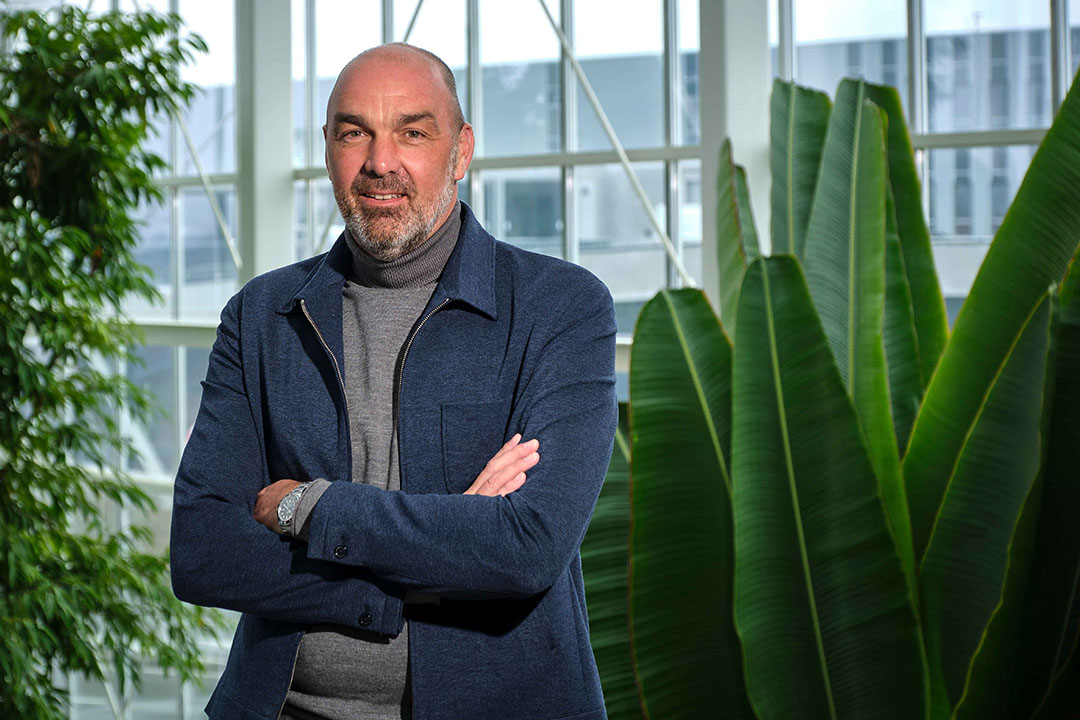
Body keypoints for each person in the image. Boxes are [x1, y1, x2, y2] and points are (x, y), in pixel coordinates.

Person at [170, 42, 617, 720]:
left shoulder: (560, 308)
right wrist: (424, 573)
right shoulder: (262, 316)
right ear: (328, 147)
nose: (380, 162)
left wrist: (309, 509)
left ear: (460, 150)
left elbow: (527, 547)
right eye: (355, 133)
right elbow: (203, 552)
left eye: (412, 131)